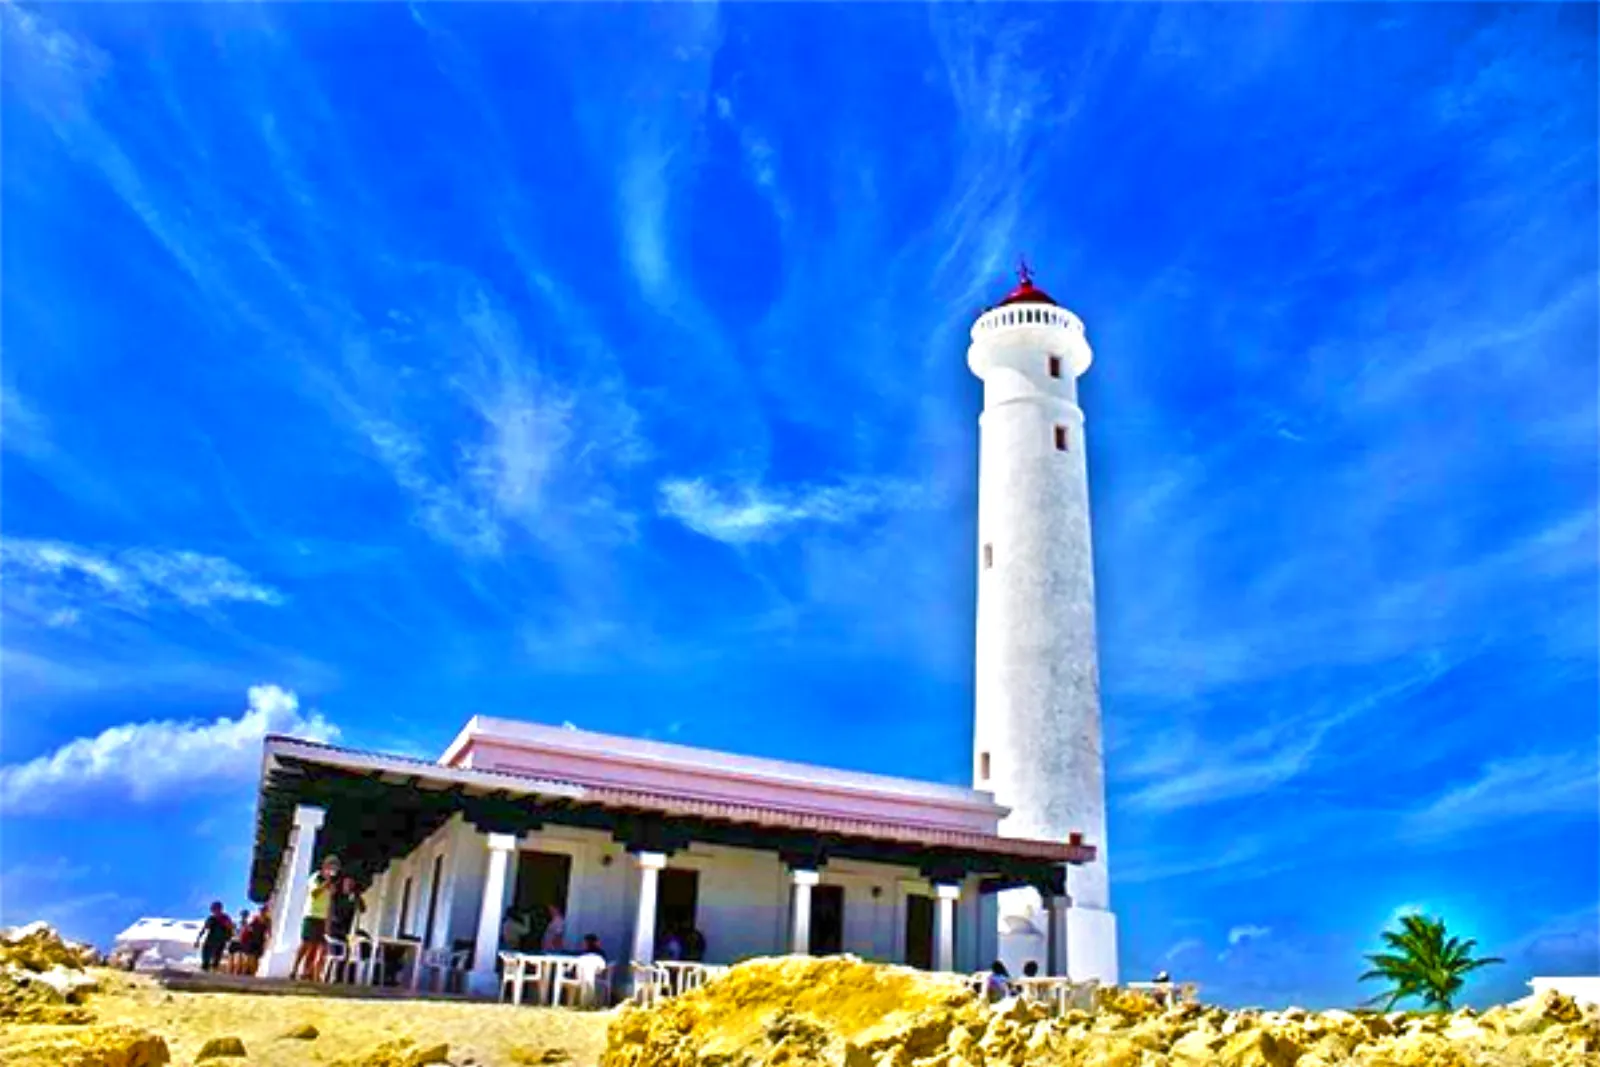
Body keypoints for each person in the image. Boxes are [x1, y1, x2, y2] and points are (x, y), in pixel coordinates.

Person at [291, 855, 340, 981]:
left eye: (335, 868)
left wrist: (328, 920)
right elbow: (314, 894)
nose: (333, 870)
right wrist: (326, 883)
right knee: (306, 944)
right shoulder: (316, 877)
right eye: (332, 867)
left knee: (317, 946)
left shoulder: (331, 884)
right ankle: (294, 969)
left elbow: (330, 901)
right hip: (311, 915)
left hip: (322, 918)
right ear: (325, 867)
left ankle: (306, 972)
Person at [196, 901, 234, 973]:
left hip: (220, 941)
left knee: (216, 958)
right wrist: (198, 939)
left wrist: (229, 939)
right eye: (214, 910)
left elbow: (231, 929)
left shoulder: (225, 918)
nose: (215, 912)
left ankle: (213, 972)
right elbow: (204, 929)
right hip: (210, 941)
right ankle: (205, 970)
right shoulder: (211, 919)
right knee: (205, 955)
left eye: (216, 909)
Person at [224, 910, 251, 974]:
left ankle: (235, 974)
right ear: (240, 915)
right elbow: (230, 930)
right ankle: (229, 973)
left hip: (240, 942)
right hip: (234, 941)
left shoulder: (248, 925)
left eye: (245, 915)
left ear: (247, 916)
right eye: (243, 915)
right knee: (231, 959)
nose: (244, 916)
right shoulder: (236, 923)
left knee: (238, 960)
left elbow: (248, 935)